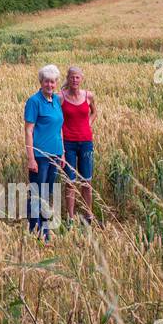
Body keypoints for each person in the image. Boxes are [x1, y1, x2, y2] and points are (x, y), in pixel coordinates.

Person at [23, 64, 64, 239]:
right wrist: (31, 158)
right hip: (40, 156)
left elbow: (59, 128)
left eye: (53, 82)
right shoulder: (34, 101)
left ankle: (45, 229)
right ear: (41, 82)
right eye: (47, 81)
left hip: (55, 154)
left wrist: (62, 152)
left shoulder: (55, 100)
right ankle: (34, 229)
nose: (50, 85)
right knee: (36, 193)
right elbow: (28, 131)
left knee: (47, 192)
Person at [61, 65, 96, 225]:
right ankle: (71, 218)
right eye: (72, 77)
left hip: (86, 143)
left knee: (86, 182)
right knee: (70, 182)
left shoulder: (89, 95)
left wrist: (88, 124)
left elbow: (94, 112)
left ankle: (89, 216)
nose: (74, 80)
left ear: (81, 79)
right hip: (68, 143)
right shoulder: (60, 97)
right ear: (67, 78)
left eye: (77, 77)